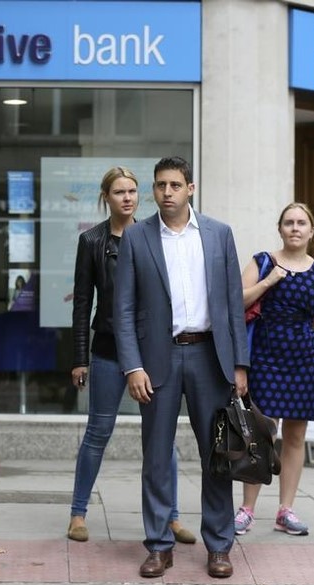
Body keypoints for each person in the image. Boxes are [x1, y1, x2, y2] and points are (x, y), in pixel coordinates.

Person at [113, 156, 248, 579]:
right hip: (157, 360)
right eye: (159, 185)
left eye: (174, 185)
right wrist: (132, 366)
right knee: (155, 455)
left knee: (219, 454)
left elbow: (232, 306)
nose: (166, 192)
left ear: (190, 188)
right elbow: (123, 309)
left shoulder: (219, 234)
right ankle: (158, 546)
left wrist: (240, 365)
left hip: (211, 357)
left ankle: (219, 546)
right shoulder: (137, 238)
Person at [68, 166, 195, 546]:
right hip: (108, 349)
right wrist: (79, 357)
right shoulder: (91, 240)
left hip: (154, 351)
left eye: (133, 191)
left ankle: (171, 516)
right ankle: (78, 513)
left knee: (162, 438)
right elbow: (81, 303)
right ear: (106, 197)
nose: (127, 197)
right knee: (98, 432)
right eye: (119, 192)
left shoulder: (154, 235)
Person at [234, 202, 314, 537]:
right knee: (261, 432)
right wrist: (269, 281)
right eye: (288, 223)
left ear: (312, 231)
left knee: (295, 437)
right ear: (280, 228)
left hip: (302, 360)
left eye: (301, 223)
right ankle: (247, 509)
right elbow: (237, 300)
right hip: (265, 356)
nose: (295, 228)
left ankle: (286, 510)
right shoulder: (263, 261)